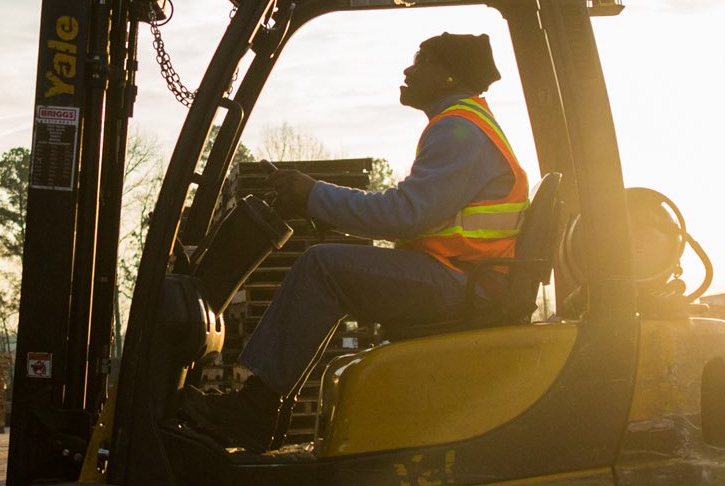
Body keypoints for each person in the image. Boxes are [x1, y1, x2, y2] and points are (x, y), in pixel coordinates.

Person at [179, 31, 530, 451]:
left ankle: (256, 409)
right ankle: (261, 406)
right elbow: (417, 217)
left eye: (421, 60)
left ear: (449, 75)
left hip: (459, 283)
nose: (408, 69)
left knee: (322, 267)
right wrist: (320, 208)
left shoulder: (460, 130)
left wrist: (313, 195)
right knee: (328, 264)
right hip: (459, 276)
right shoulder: (462, 124)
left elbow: (404, 214)